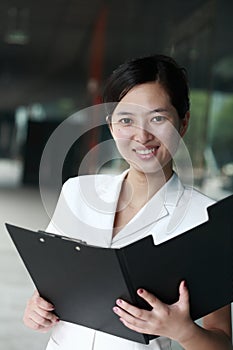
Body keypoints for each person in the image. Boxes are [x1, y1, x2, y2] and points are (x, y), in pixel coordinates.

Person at [23, 54, 232, 350]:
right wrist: (37, 308)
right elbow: (52, 285)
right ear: (111, 127)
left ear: (183, 123)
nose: (142, 135)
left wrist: (183, 331)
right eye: (126, 120)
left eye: (158, 118)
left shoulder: (206, 220)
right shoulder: (78, 193)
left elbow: (222, 341)